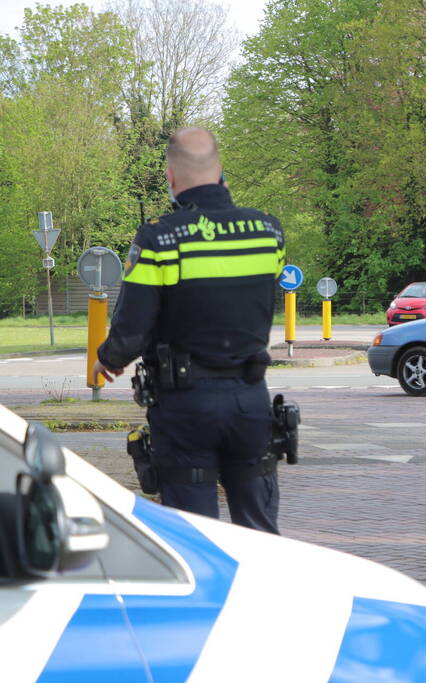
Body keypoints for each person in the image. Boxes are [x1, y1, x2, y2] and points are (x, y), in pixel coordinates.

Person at [94, 128, 285, 534]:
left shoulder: (160, 237)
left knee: (194, 535)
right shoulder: (269, 232)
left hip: (185, 405)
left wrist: (108, 359)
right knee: (261, 533)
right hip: (250, 399)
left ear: (171, 178)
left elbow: (133, 327)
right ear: (222, 176)